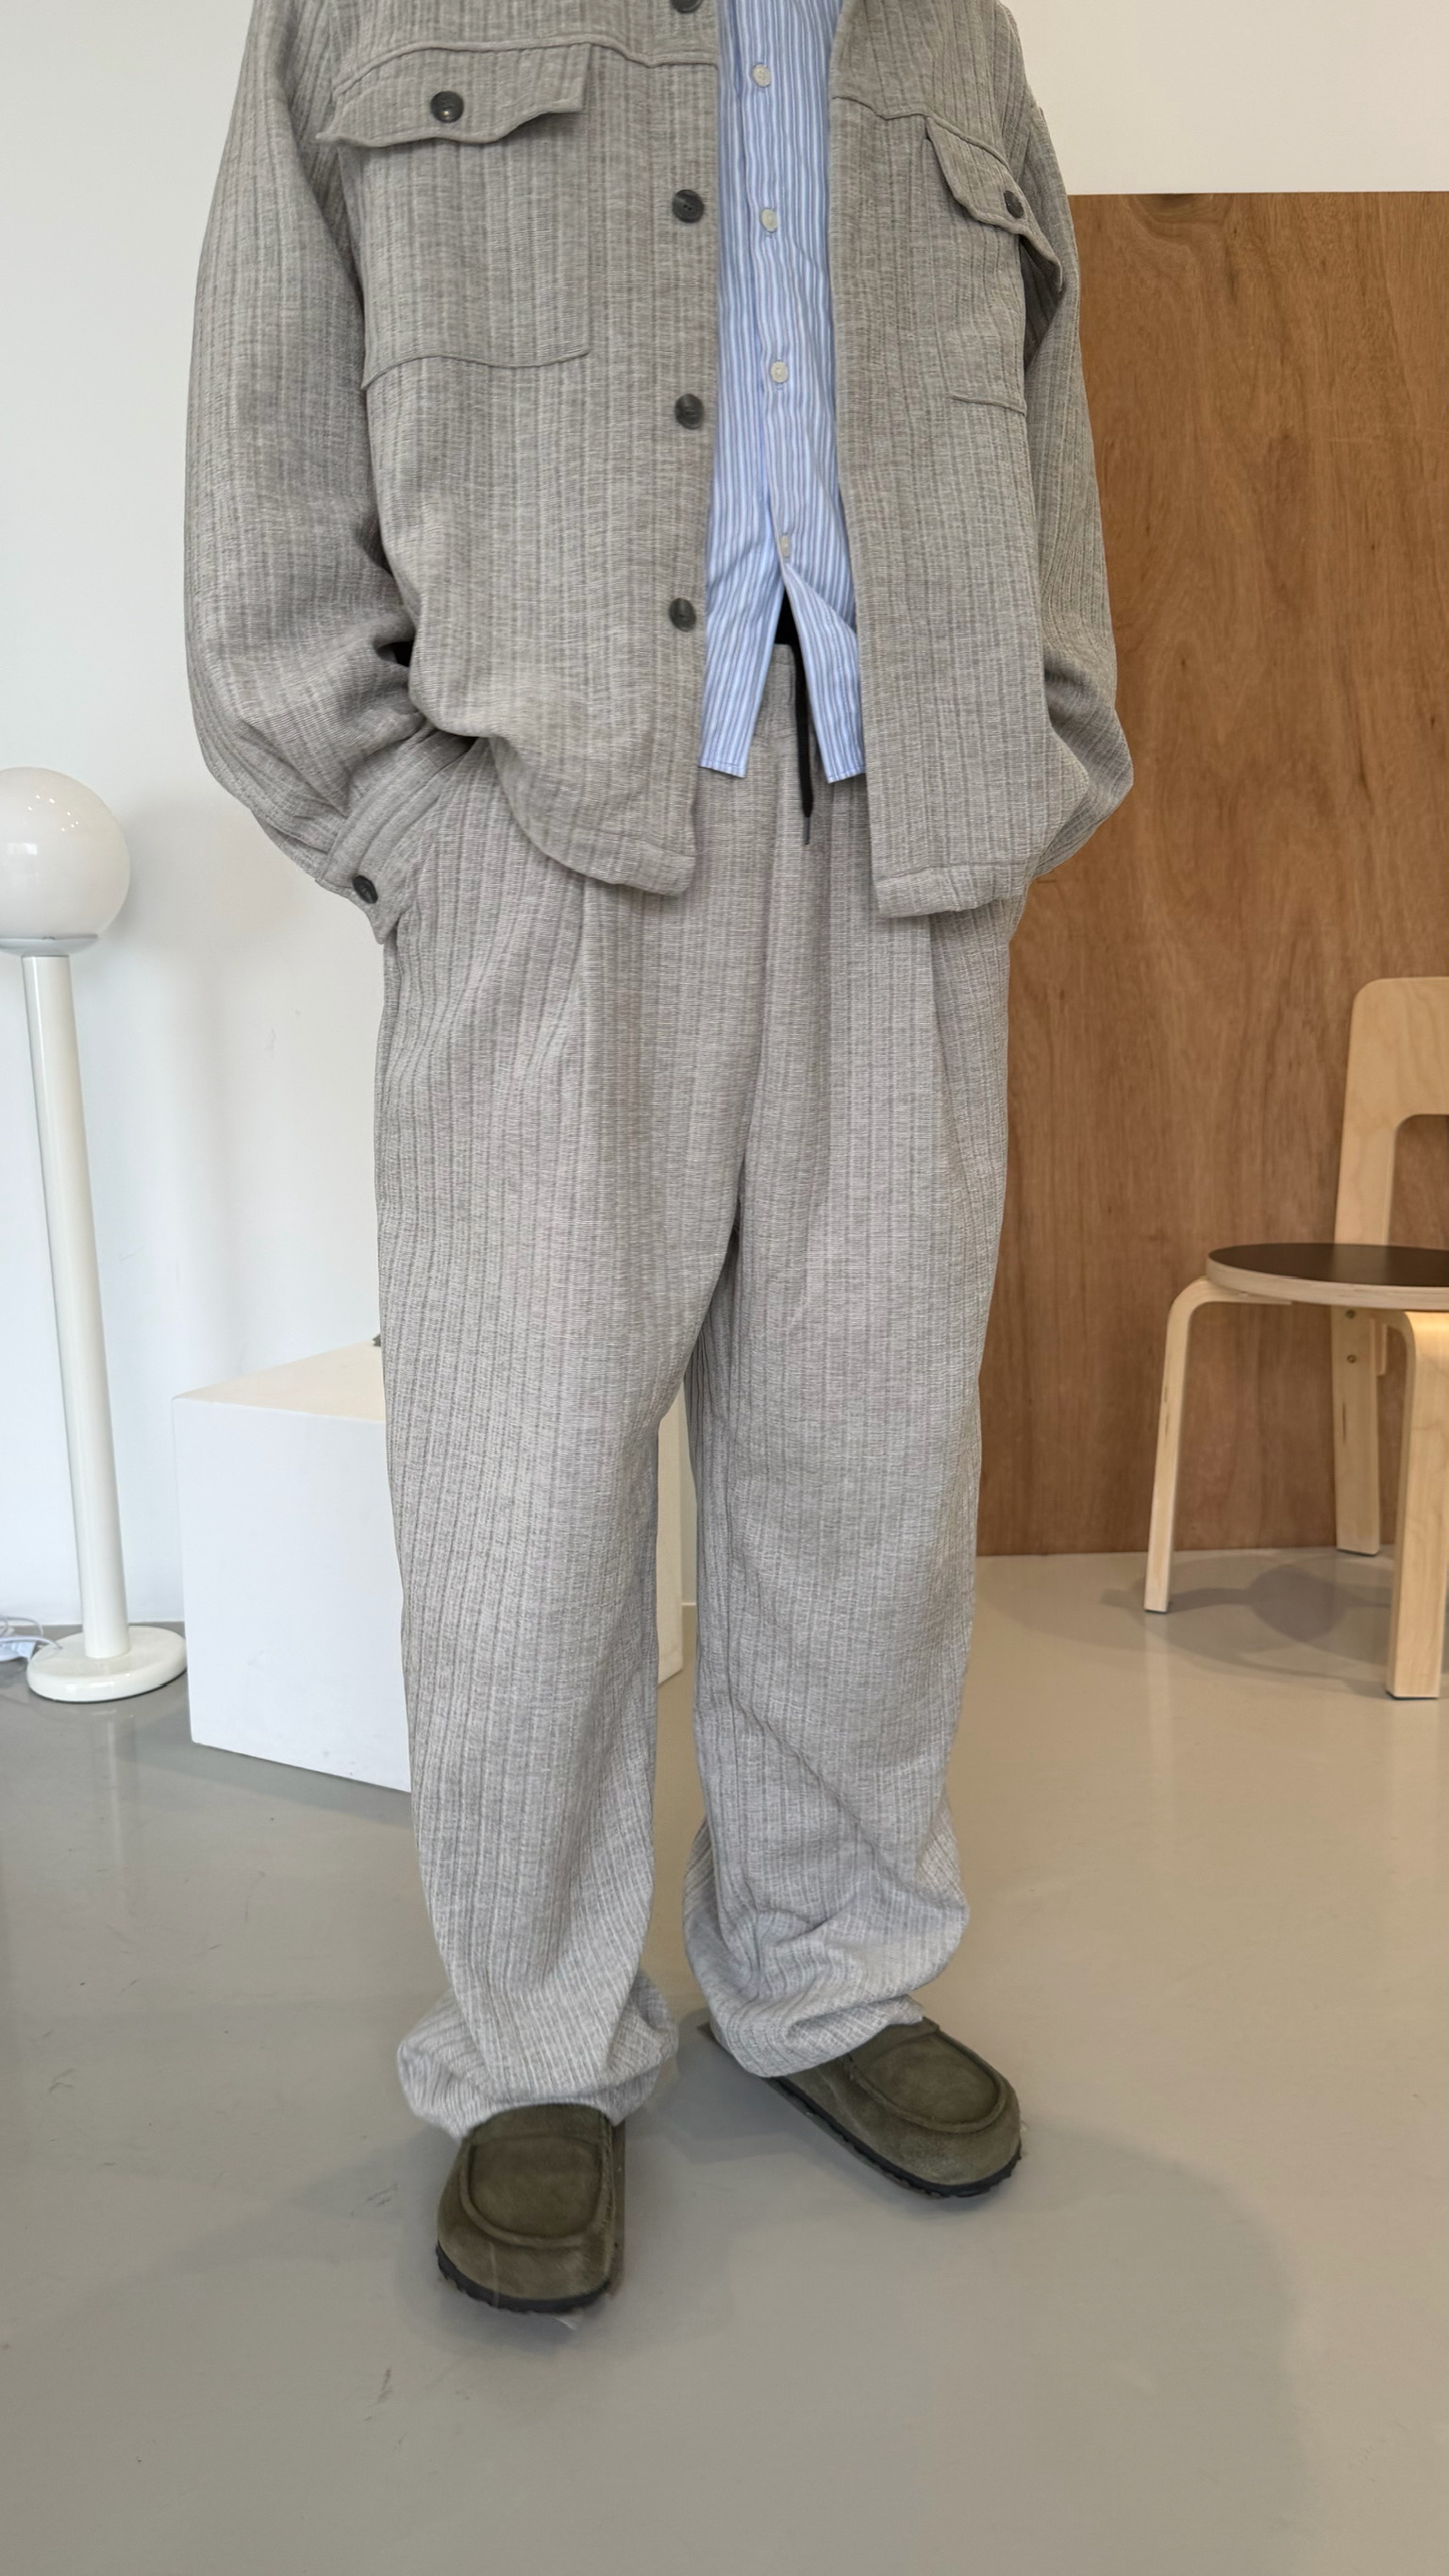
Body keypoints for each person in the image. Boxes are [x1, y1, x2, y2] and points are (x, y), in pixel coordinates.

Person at [186, 0, 1131, 2315]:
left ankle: (829, 1969)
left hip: (898, 823)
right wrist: (407, 817)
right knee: (520, 1481)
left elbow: (1041, 397)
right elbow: (266, 416)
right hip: (545, 822)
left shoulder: (947, 21)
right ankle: (532, 2044)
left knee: (867, 1451)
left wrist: (1033, 750)